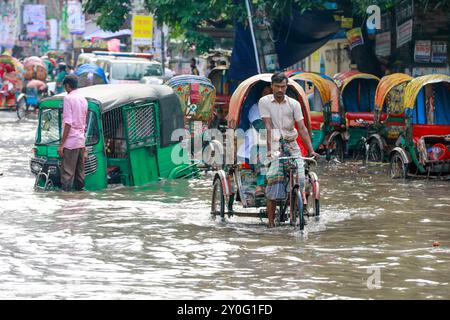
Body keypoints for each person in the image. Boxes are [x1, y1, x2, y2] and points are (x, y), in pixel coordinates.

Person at [259, 72, 319, 228]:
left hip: (292, 144)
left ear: (287, 87)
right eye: (277, 86)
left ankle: (301, 207)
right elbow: (268, 126)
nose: (280, 89)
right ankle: (271, 223)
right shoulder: (264, 101)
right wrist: (271, 151)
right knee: (273, 180)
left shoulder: (294, 104)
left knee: (301, 175)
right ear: (272, 86)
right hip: (274, 142)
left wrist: (311, 150)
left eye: (283, 87)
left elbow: (302, 128)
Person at [237, 84, 272, 197]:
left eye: (270, 93)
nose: (267, 96)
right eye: (265, 93)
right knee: (262, 155)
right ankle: (260, 186)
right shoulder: (255, 108)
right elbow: (260, 126)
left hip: (275, 139)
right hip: (256, 141)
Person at [57, 75, 88, 192]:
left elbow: (68, 123)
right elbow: (84, 122)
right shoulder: (83, 99)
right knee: (80, 174)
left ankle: (66, 199)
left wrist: (62, 144)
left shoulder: (68, 98)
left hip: (71, 142)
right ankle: (80, 197)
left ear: (67, 86)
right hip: (81, 141)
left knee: (67, 173)